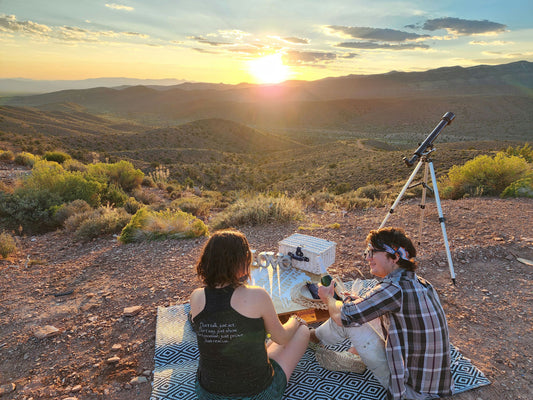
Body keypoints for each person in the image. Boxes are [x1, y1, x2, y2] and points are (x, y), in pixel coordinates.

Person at [313, 227, 453, 400]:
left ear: (394, 257)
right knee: (353, 309)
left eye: (372, 252)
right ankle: (312, 337)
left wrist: (328, 298)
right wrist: (358, 303)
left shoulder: (393, 288)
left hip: (411, 390)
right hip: (430, 383)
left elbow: (343, 317)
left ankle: (310, 338)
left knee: (347, 317)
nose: (368, 257)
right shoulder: (420, 282)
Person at [189, 229, 310, 400]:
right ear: (243, 260)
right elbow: (282, 338)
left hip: (207, 393)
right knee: (302, 330)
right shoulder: (257, 295)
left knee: (253, 342)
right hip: (257, 394)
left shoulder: (196, 296)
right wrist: (295, 320)